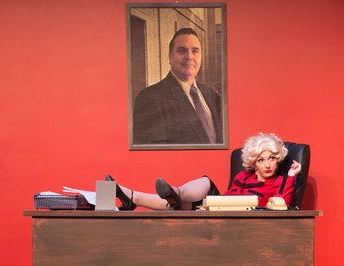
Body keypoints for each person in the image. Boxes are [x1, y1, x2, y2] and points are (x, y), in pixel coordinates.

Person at [110, 132, 301, 210]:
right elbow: (228, 197)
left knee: (180, 206)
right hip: (220, 207)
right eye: (261, 160)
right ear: (254, 162)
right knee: (205, 183)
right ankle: (174, 193)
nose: (267, 165)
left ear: (278, 159)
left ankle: (133, 197)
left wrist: (291, 176)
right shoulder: (243, 176)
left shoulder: (280, 181)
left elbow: (282, 203)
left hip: (242, 214)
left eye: (272, 159)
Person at [132, 27, 223, 145]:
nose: (189, 57)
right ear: (170, 57)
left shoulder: (212, 95)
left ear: (201, 56)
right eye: (182, 50)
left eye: (195, 51)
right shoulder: (149, 98)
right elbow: (151, 152)